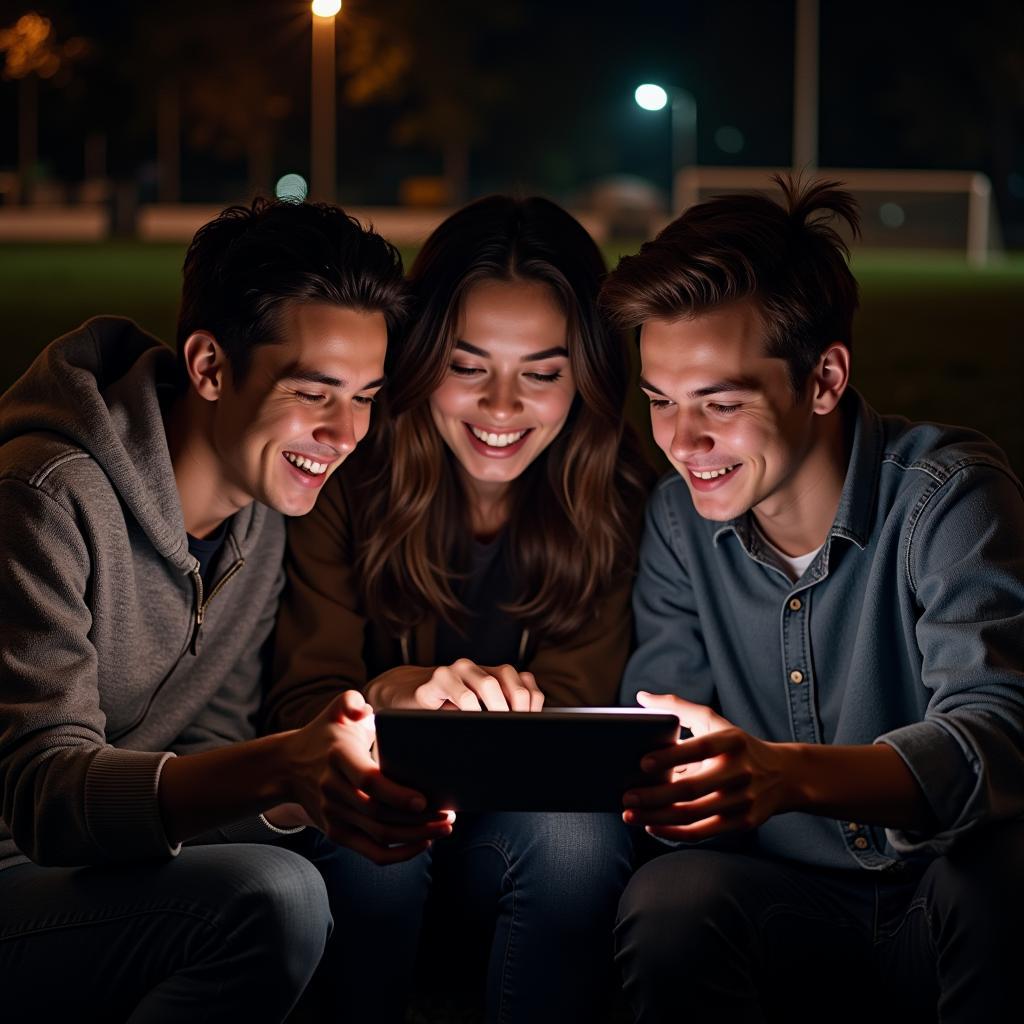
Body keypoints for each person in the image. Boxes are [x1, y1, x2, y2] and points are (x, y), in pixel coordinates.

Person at [0, 198, 453, 1022]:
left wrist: (341, 764)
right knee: (274, 896)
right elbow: (43, 798)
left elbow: (213, 752)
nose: (345, 431)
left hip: (101, 869)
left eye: (365, 396)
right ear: (209, 367)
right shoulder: (42, 498)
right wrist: (283, 768)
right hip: (16, 873)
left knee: (358, 845)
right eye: (314, 390)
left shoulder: (261, 515)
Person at [599, 176, 1024, 1022]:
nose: (683, 442)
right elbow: (662, 730)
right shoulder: (679, 520)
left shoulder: (950, 496)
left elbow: (997, 737)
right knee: (670, 899)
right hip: (785, 899)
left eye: (721, 402)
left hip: (945, 888)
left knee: (1006, 874)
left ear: (824, 379)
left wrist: (786, 777)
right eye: (660, 402)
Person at [267, 194, 653, 1023]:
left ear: (585, 376)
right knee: (373, 823)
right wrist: (396, 695)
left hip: (516, 852)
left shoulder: (623, 497)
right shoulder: (344, 471)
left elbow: (582, 732)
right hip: (367, 850)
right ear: (418, 356)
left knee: (577, 841)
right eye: (468, 367)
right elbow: (300, 702)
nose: (503, 407)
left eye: (542, 374)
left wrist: (521, 716)